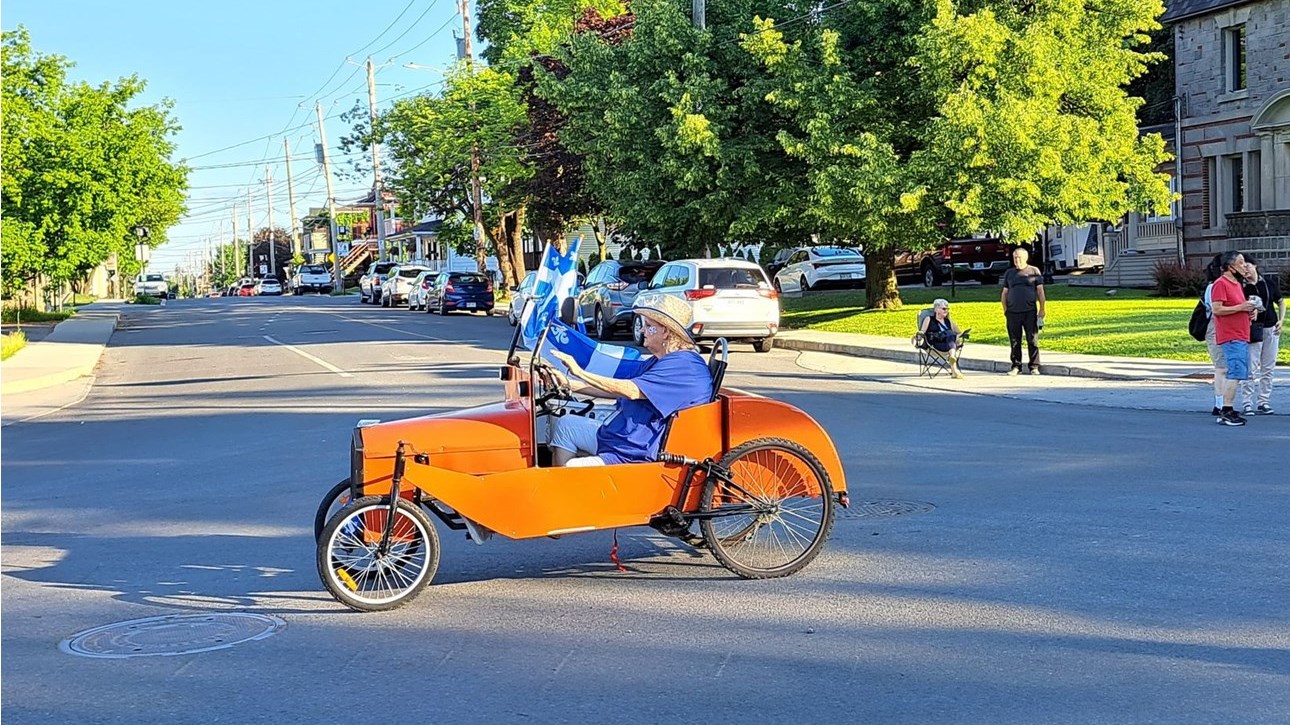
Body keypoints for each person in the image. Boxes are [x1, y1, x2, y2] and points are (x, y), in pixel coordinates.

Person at [546, 292, 712, 466]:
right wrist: (568, 384)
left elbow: (631, 390)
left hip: (635, 450)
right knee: (566, 425)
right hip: (621, 437)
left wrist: (580, 372)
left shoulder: (683, 366)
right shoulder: (660, 360)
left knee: (572, 468)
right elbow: (618, 390)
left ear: (665, 332)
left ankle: (567, 491)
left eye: (648, 326)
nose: (642, 330)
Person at [1209, 250, 1257, 426]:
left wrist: (1250, 312)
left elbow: (1238, 307)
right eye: (1241, 262)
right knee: (1235, 373)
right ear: (1230, 267)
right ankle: (1227, 410)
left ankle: (1227, 410)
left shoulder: (1236, 284)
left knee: (1238, 373)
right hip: (1231, 336)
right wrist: (1241, 308)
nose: (1245, 266)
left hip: (1241, 334)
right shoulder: (1220, 284)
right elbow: (1217, 309)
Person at [1239, 257, 1284, 415]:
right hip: (1253, 329)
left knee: (1268, 367)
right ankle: (1247, 402)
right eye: (1243, 267)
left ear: (1255, 266)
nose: (1246, 270)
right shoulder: (1242, 288)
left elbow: (1280, 301)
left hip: (1270, 327)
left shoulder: (1268, 283)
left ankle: (1263, 401)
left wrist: (1281, 320)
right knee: (1251, 367)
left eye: (1248, 266)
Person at [1001, 247, 1046, 375]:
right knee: (1015, 340)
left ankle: (1034, 366)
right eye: (1015, 258)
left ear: (1025, 258)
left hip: (1029, 311)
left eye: (1019, 257)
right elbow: (1004, 293)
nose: (1017, 260)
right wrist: (1006, 310)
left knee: (1032, 339)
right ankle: (1016, 366)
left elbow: (1040, 291)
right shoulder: (1009, 273)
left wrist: (1042, 309)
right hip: (1013, 312)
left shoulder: (1034, 271)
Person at [1201, 254, 1227, 418]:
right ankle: (1219, 404)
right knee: (1221, 367)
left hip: (1226, 328)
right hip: (1215, 328)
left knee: (1226, 367)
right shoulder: (1214, 287)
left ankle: (1226, 402)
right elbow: (1218, 309)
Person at [918, 298, 964, 379]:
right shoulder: (929, 319)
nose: (946, 310)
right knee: (950, 336)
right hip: (935, 344)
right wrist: (918, 336)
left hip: (948, 344)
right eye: (944, 308)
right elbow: (922, 331)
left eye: (947, 308)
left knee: (951, 336)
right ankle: (953, 365)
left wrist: (957, 337)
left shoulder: (949, 321)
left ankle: (953, 365)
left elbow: (960, 332)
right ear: (936, 309)